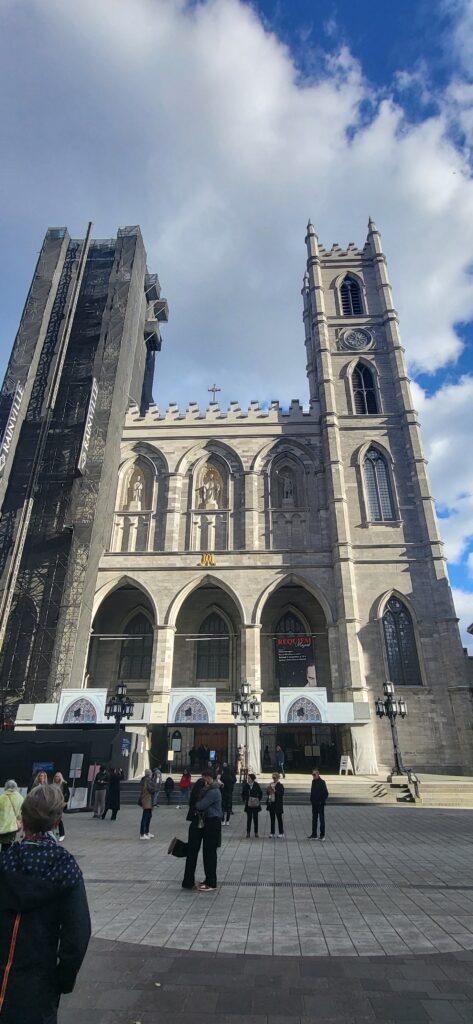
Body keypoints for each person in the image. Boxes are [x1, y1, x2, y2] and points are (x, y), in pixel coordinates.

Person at [0, 784, 91, 1024]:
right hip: (39, 984)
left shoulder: (4, 862)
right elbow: (78, 935)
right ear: (56, 821)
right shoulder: (66, 868)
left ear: (23, 819)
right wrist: (63, 979)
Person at [168, 776, 207, 889]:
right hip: (197, 824)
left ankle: (188, 880)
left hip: (193, 825)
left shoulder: (194, 795)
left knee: (192, 851)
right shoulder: (199, 797)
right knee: (192, 852)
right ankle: (178, 847)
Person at [195, 770, 222, 891]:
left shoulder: (213, 791)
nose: (204, 782)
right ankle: (208, 879)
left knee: (209, 853)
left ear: (209, 778)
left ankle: (211, 882)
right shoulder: (212, 790)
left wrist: (197, 801)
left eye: (204, 779)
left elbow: (201, 805)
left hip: (212, 822)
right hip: (210, 822)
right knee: (207, 852)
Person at [0, 781, 23, 852]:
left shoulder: (1, 797)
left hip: (1, 826)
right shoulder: (20, 798)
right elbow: (21, 814)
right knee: (7, 846)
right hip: (12, 827)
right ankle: (5, 861)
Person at [138, 769, 159, 839]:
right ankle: (142, 834)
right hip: (147, 800)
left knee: (148, 816)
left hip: (148, 800)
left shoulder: (146, 780)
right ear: (149, 774)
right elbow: (152, 789)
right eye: (150, 773)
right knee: (145, 817)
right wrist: (156, 782)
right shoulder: (147, 780)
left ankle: (146, 832)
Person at [308, 768, 328, 841]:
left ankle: (322, 835)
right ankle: (314, 834)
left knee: (321, 819)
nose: (313, 776)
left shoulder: (322, 782)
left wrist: (321, 801)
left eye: (314, 774)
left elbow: (326, 793)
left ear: (318, 774)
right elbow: (312, 791)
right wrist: (311, 799)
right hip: (314, 803)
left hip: (320, 804)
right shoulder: (313, 781)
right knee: (314, 819)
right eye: (312, 774)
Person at [242, 773, 262, 838]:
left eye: (249, 778)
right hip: (248, 804)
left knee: (255, 818)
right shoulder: (246, 785)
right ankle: (248, 832)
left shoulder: (256, 784)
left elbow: (260, 793)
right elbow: (243, 793)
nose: (248, 779)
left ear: (252, 779)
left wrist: (258, 799)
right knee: (249, 818)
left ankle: (256, 832)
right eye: (248, 778)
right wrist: (244, 799)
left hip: (255, 804)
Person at [52, 772, 70, 842]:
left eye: (58, 776)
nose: (57, 778)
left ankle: (62, 834)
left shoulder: (63, 784)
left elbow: (67, 793)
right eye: (56, 776)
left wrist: (65, 802)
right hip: (53, 803)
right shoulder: (53, 785)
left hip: (60, 803)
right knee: (52, 818)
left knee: (59, 819)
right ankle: (52, 833)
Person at [266, 772, 284, 838]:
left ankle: (281, 833)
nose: (273, 779)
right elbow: (268, 793)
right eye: (272, 777)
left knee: (279, 819)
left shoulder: (280, 785)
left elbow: (281, 794)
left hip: (278, 804)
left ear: (278, 778)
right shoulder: (271, 784)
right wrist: (268, 790)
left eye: (274, 777)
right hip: (272, 803)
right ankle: (272, 832)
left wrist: (275, 790)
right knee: (272, 819)